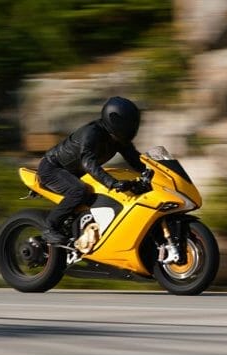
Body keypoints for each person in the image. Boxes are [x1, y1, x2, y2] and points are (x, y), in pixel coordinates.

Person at [37, 96, 146, 244]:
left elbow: (136, 160)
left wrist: (152, 171)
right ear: (116, 120)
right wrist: (112, 183)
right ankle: (49, 228)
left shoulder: (119, 140)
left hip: (74, 172)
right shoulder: (92, 133)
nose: (132, 127)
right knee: (79, 191)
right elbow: (88, 163)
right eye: (129, 123)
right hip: (52, 168)